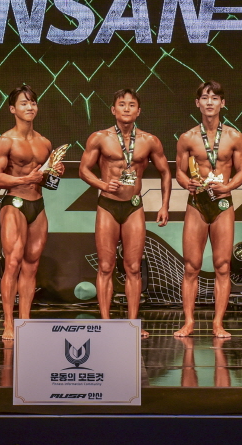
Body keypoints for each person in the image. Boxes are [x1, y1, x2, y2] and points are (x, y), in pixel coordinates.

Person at [79, 88, 171, 335]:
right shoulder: (99, 138)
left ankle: (132, 323)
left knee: (133, 267)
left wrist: (164, 205)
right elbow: (84, 170)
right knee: (105, 266)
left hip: (133, 207)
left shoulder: (150, 141)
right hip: (107, 206)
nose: (127, 108)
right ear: (113, 109)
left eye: (131, 105)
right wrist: (101, 184)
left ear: (138, 111)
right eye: (122, 104)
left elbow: (165, 172)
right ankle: (105, 322)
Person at [0, 84, 63, 341]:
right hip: (15, 203)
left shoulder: (44, 143)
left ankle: (25, 321)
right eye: (23, 103)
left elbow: (48, 183)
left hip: (37, 204)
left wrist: (55, 174)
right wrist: (24, 179)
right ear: (12, 109)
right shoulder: (4, 141)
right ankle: (9, 323)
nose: (29, 107)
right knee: (13, 263)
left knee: (31, 266)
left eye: (32, 102)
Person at [174, 81, 242, 338]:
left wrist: (228, 186)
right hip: (197, 204)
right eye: (205, 98)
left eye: (215, 98)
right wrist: (187, 183)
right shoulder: (187, 138)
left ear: (222, 103)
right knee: (191, 266)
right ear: (197, 103)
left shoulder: (235, 137)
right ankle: (189, 322)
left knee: (223, 266)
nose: (209, 102)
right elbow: (179, 172)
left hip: (223, 204)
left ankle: (218, 323)